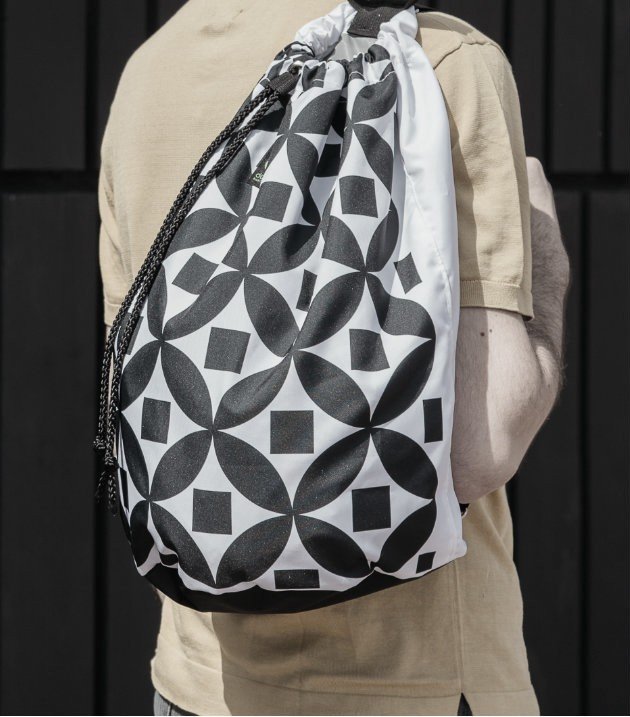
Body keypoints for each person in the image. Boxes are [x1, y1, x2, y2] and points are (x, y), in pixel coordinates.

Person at [98, 1, 569, 715]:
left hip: (197, 685)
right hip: (412, 687)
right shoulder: (439, 60)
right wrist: (546, 259)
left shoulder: (150, 72)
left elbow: (136, 394)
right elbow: (484, 447)